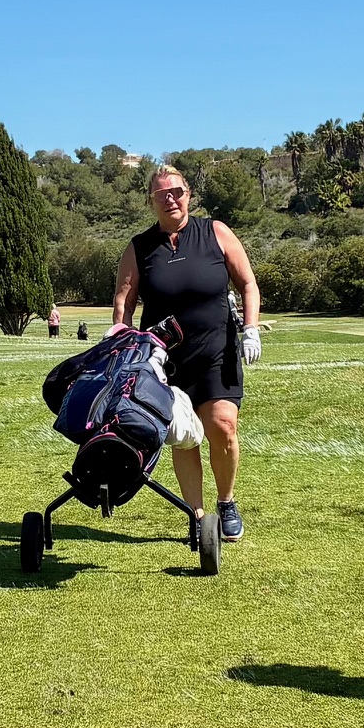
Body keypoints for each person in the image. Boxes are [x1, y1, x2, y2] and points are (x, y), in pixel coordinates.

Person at [111, 166, 262, 542]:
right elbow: (124, 302)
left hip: (217, 352)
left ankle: (226, 502)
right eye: (161, 194)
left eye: (176, 192)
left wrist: (251, 329)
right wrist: (122, 341)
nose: (170, 199)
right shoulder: (139, 247)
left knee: (222, 426)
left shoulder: (216, 232)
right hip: (165, 360)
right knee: (184, 435)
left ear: (188, 194)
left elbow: (248, 283)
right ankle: (196, 516)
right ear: (151, 201)